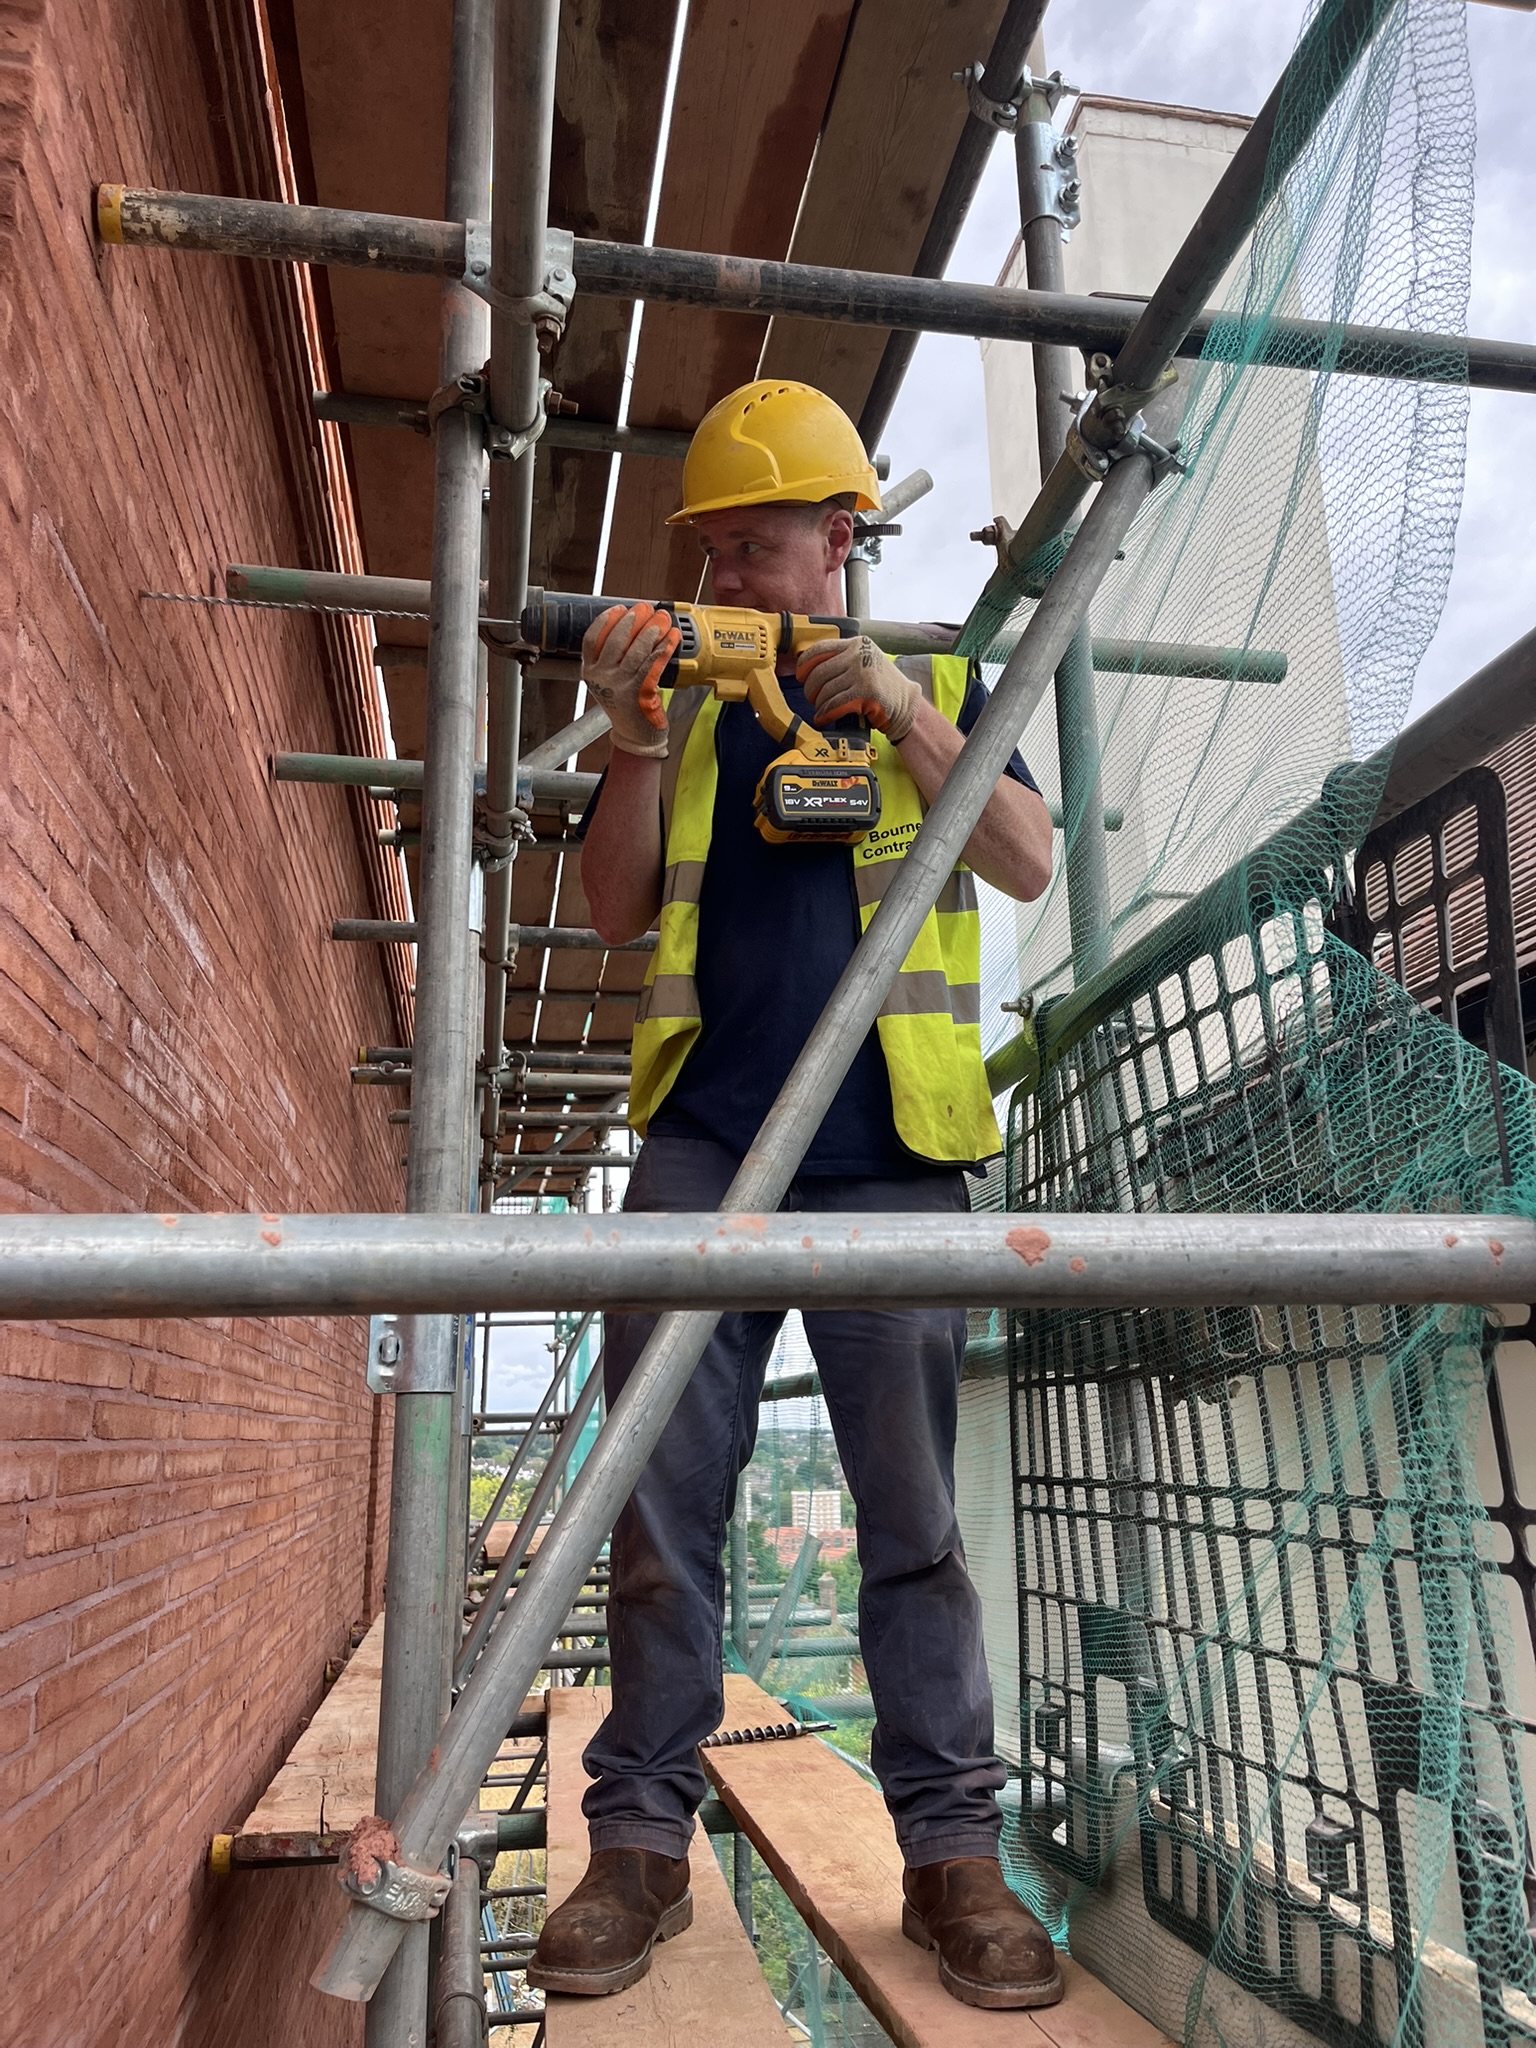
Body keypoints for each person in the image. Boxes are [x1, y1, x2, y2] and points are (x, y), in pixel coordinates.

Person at [528, 380, 1060, 2011]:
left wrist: (902, 707)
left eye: (767, 550)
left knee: (914, 1527)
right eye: (722, 555)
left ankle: (953, 1859)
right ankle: (637, 1848)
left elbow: (1029, 859)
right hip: (707, 1141)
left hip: (894, 1151)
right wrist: (625, 732)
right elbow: (618, 912)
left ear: (843, 539)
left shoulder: (950, 681)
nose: (742, 583)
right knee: (660, 1503)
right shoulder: (683, 705)